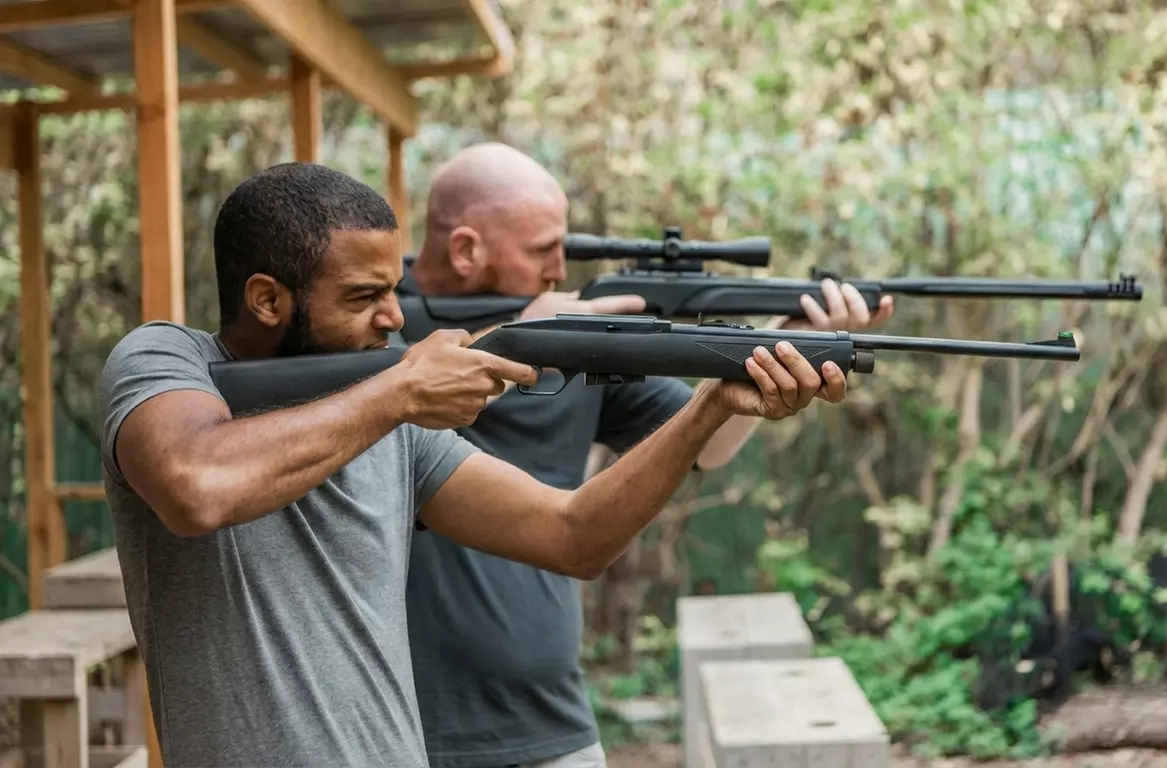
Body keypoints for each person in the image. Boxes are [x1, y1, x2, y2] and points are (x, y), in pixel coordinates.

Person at [97, 161, 850, 768]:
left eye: (395, 291)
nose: (395, 318)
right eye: (364, 297)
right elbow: (195, 488)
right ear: (267, 300)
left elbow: (573, 535)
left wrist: (710, 406)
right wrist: (399, 392)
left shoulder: (391, 417)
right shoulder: (165, 361)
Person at [400, 142, 895, 768]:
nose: (560, 268)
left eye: (565, 247)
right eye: (542, 250)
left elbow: (707, 443)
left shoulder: (570, 334)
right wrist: (509, 341)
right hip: (405, 729)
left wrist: (784, 346)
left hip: (553, 722)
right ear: (466, 250)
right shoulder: (372, 320)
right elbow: (365, 410)